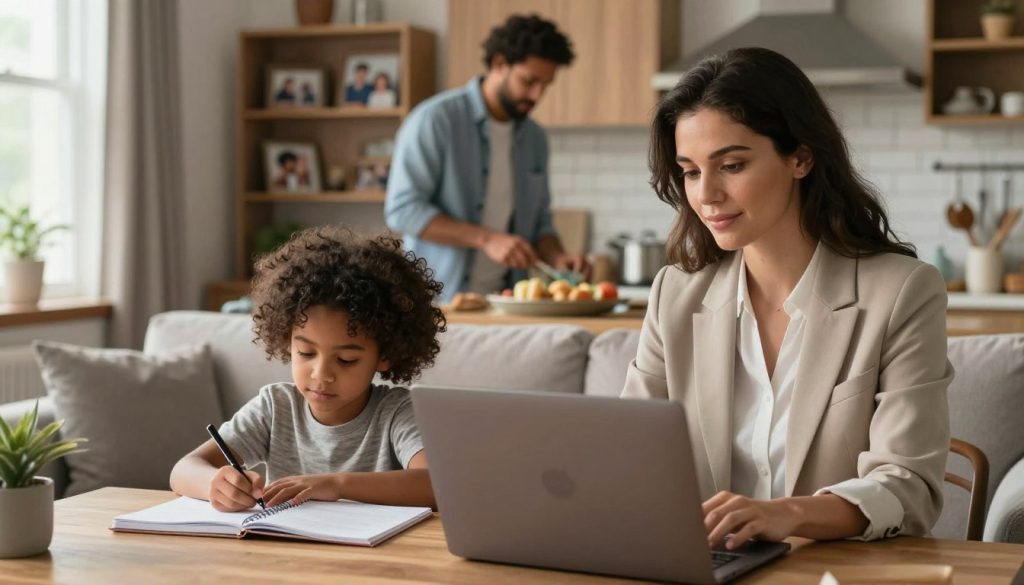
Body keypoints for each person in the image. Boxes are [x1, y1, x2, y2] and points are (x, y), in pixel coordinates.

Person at [622, 47, 952, 549]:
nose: (706, 194)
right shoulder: (675, 294)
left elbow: (908, 485)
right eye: (690, 171)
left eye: (731, 165)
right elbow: (629, 453)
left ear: (800, 157)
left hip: (832, 573)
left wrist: (787, 515)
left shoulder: (902, 292)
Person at [169, 227, 446, 511]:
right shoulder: (276, 408)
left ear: (385, 356)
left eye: (346, 360)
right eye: (306, 353)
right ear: (286, 341)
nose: (321, 374)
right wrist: (215, 483)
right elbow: (183, 470)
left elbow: (435, 485)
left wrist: (336, 485)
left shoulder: (396, 412)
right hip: (288, 552)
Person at [385, 14, 590, 302]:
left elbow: (540, 222)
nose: (537, 95)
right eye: (529, 81)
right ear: (499, 63)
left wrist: (558, 258)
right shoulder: (434, 120)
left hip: (505, 302)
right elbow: (403, 210)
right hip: (437, 304)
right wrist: (487, 239)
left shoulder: (535, 139)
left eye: (545, 85)